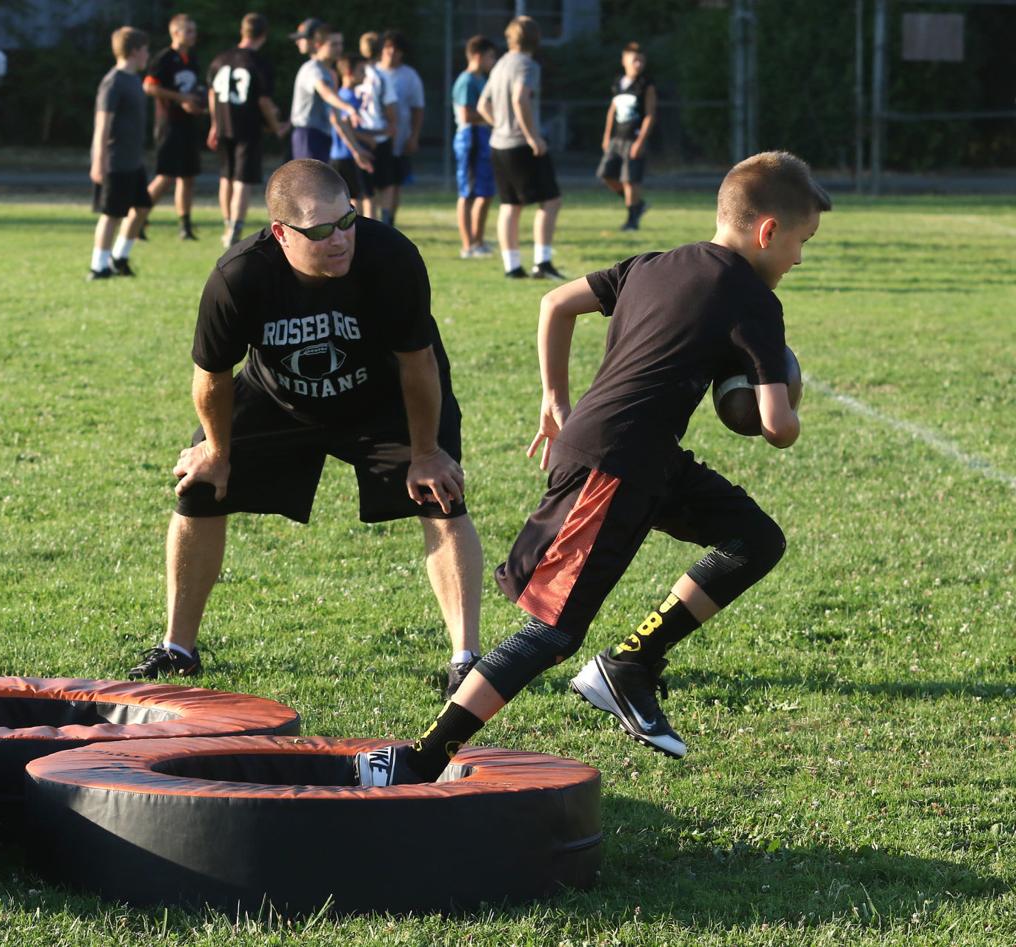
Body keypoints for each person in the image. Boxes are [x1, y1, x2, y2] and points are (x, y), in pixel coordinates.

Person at [355, 151, 831, 786]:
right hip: (613, 464)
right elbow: (777, 427)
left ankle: (631, 664)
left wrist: (554, 397)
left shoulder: (654, 264)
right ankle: (421, 757)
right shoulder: (754, 301)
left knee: (755, 539)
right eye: (802, 242)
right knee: (553, 631)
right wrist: (787, 388)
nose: (800, 258)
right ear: (768, 230)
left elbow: (556, 303)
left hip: (645, 456)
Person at [129, 159, 484, 700]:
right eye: (319, 231)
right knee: (199, 483)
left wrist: (428, 451)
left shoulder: (390, 256)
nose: (340, 240)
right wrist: (218, 451)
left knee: (440, 493)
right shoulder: (239, 275)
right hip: (279, 399)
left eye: (347, 222)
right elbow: (211, 375)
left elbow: (417, 361)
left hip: (385, 397)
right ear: (280, 233)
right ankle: (178, 648)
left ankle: (467, 660)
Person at [477, 16, 564, 280]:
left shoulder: (501, 63)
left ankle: (512, 266)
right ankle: (543, 262)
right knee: (551, 200)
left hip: (499, 144)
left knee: (510, 205)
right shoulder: (527, 64)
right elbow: (520, 99)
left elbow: (482, 105)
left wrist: (500, 125)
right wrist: (532, 136)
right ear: (536, 38)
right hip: (521, 144)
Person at [207, 12, 286, 249]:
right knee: (242, 179)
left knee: (226, 176)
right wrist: (276, 126)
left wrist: (214, 123)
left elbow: (211, 92)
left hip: (222, 125)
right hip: (247, 126)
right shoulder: (258, 63)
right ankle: (235, 228)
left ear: (242, 31)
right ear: (263, 34)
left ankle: (227, 224)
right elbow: (263, 102)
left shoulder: (220, 59)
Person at [88, 27, 152, 280]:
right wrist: (98, 162)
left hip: (133, 161)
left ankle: (119, 257)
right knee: (112, 215)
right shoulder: (113, 81)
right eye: (145, 50)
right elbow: (102, 125)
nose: (147, 55)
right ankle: (98, 266)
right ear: (135, 51)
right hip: (114, 161)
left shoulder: (134, 79)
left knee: (142, 208)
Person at [144, 13, 206, 241]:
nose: (193, 35)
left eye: (194, 31)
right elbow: (149, 87)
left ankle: (185, 225)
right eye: (189, 31)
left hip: (188, 124)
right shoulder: (164, 58)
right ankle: (139, 217)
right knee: (166, 175)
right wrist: (181, 98)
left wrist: (199, 104)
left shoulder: (192, 58)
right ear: (176, 32)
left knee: (188, 177)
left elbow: (195, 89)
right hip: (169, 123)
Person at [598, 42, 657, 231]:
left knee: (629, 180)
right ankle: (637, 204)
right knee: (606, 175)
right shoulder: (619, 83)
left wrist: (640, 141)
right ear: (624, 61)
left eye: (641, 60)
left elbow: (650, 114)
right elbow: (612, 110)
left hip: (633, 139)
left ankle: (632, 220)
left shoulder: (646, 85)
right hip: (617, 138)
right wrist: (607, 136)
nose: (638, 64)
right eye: (634, 60)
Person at [289, 26, 367, 167]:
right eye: (334, 44)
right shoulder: (312, 69)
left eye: (340, 44)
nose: (339, 48)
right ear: (318, 45)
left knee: (321, 186)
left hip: (323, 136)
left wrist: (356, 150)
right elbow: (326, 93)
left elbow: (336, 118)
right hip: (307, 135)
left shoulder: (330, 73)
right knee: (310, 186)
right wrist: (349, 107)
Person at [451, 35, 498, 259]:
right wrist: (495, 115)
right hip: (470, 138)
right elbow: (466, 114)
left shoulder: (481, 79)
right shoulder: (467, 81)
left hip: (483, 137)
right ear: (478, 55)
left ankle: (478, 241)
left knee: (485, 192)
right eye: (490, 56)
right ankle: (468, 245)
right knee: (468, 193)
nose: (493, 61)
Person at [376, 30, 424, 227]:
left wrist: (413, 136)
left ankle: (388, 222)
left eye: (396, 49)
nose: (391, 52)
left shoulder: (409, 76)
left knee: (394, 183)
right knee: (373, 184)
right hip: (374, 138)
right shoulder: (372, 72)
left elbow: (417, 108)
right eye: (388, 47)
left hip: (399, 139)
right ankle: (371, 222)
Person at [355, 31, 399, 221]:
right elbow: (390, 107)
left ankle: (360, 227)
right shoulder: (381, 75)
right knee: (386, 185)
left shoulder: (354, 72)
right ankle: (386, 224)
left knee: (364, 190)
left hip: (359, 134)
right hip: (379, 135)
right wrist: (392, 125)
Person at [329, 55, 371, 209]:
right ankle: (355, 231)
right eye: (361, 71)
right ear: (348, 72)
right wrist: (360, 147)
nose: (365, 75)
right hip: (346, 156)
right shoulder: (346, 97)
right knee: (355, 200)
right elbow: (344, 125)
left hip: (341, 155)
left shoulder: (346, 96)